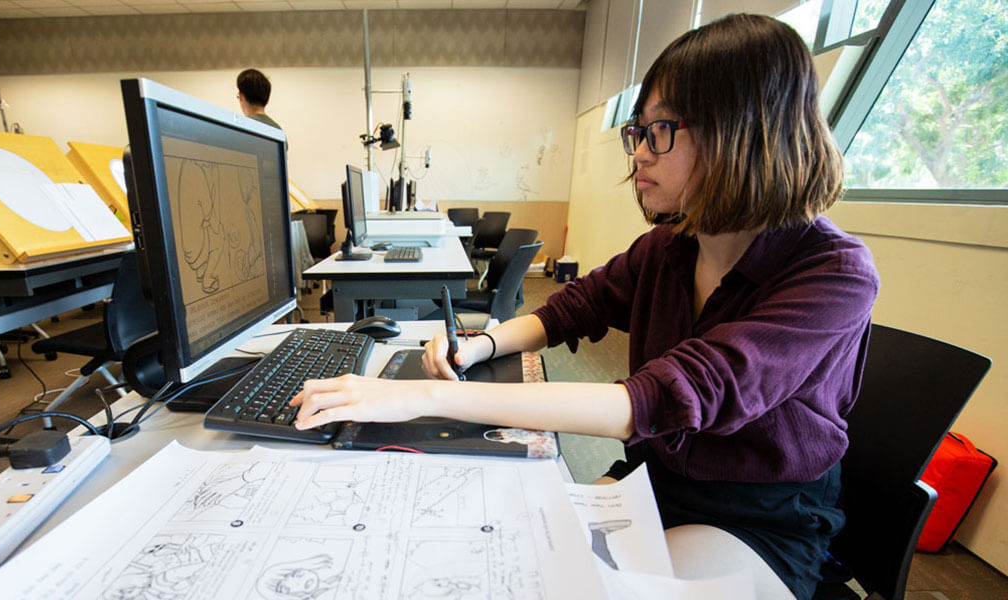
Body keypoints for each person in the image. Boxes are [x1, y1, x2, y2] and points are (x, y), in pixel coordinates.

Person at [291, 13, 879, 600]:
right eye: (638, 131)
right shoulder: (668, 248)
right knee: (492, 551)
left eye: (660, 130)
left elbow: (666, 398)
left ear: (741, 131)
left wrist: (418, 394)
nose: (639, 155)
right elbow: (574, 307)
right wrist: (482, 344)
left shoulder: (833, 273)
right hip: (655, 481)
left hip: (758, 518)